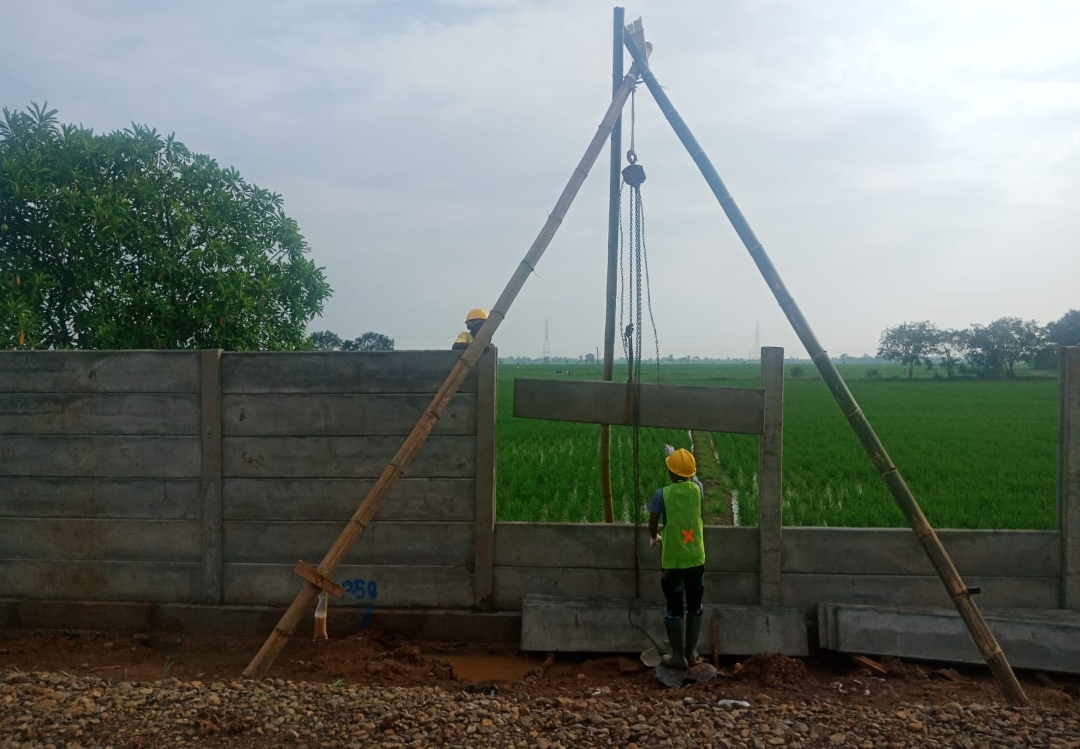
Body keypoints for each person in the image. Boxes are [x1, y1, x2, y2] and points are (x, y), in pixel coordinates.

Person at [647, 447, 706, 669]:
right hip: (696, 559)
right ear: (690, 473)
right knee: (695, 604)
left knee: (674, 605)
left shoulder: (661, 494)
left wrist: (654, 537)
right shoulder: (698, 490)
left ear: (671, 473)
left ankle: (677, 657)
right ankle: (690, 653)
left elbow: (653, 522)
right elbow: (695, 480)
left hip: (673, 560)